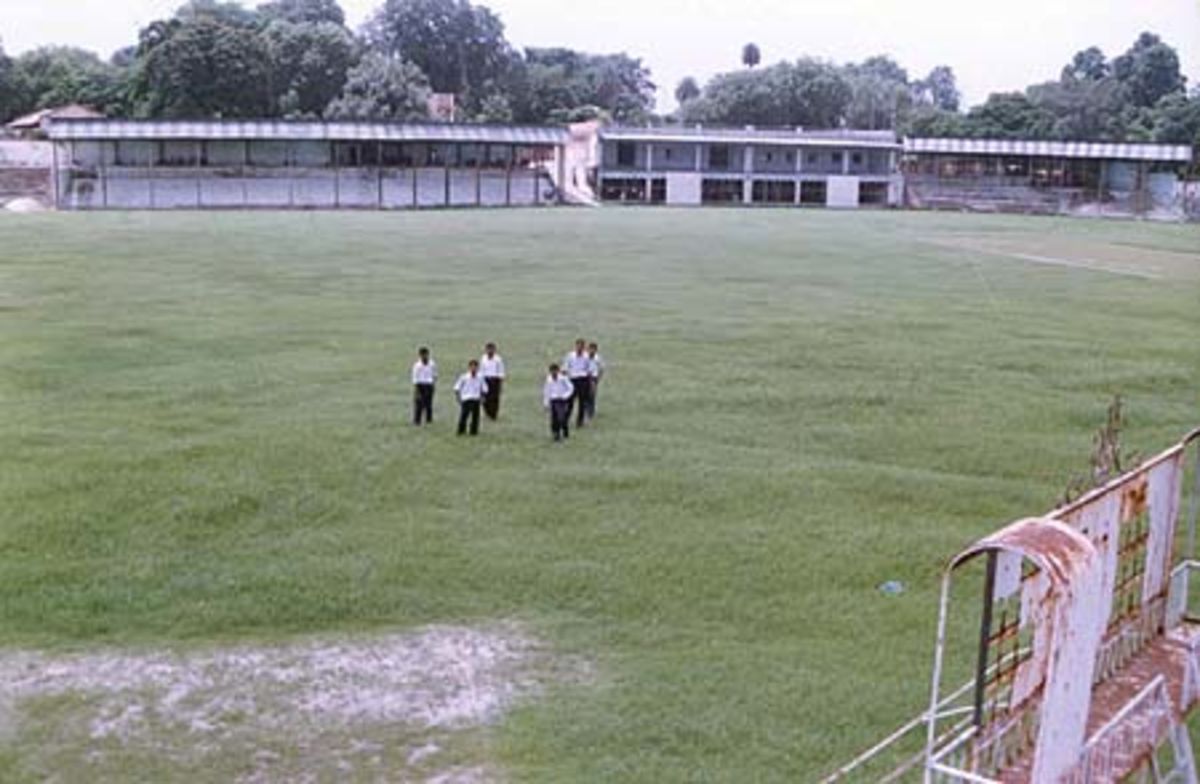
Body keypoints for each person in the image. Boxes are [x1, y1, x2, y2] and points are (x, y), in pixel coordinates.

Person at [453, 359, 489, 436]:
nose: (473, 369)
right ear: (469, 368)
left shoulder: (480, 378)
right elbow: (457, 387)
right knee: (464, 415)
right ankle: (461, 430)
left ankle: (473, 431)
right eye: (472, 367)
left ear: (478, 368)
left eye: (475, 367)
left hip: (476, 399)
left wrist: (483, 397)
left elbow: (485, 389)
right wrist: (458, 397)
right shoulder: (464, 377)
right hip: (466, 399)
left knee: (475, 416)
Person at [562, 338, 593, 427]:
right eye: (578, 346)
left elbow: (589, 370)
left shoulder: (586, 356)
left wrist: (590, 383)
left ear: (583, 347)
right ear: (575, 346)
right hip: (573, 380)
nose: (579, 348)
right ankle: (565, 419)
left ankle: (580, 422)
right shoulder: (570, 356)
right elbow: (565, 368)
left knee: (582, 402)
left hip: (583, 380)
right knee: (570, 402)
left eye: (581, 346)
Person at [543, 363, 574, 441]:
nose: (554, 373)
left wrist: (565, 396)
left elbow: (570, 388)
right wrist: (546, 403)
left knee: (561, 417)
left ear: (558, 371)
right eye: (552, 371)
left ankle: (564, 431)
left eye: (555, 371)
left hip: (561, 400)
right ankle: (556, 434)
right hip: (553, 400)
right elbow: (547, 391)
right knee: (554, 418)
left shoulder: (563, 378)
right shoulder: (549, 380)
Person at [479, 342, 506, 420]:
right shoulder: (483, 358)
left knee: (494, 398)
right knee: (485, 398)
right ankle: (487, 412)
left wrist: (500, 382)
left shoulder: (498, 359)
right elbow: (481, 370)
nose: (490, 351)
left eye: (492, 349)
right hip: (485, 379)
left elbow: (501, 371)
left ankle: (493, 414)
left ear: (494, 350)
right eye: (488, 349)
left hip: (495, 380)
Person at [411, 347, 437, 426]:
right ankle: (417, 420)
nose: (424, 357)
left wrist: (433, 384)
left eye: (426, 355)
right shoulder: (417, 365)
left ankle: (429, 419)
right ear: (420, 355)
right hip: (420, 385)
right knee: (419, 403)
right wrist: (417, 389)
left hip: (429, 385)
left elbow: (434, 374)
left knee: (429, 403)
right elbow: (415, 377)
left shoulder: (432, 364)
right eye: (422, 355)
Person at [585, 341, 605, 421]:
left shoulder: (598, 359)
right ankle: (586, 410)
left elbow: (601, 369)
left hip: (593, 378)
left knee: (592, 395)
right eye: (590, 349)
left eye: (593, 349)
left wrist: (598, 378)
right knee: (585, 394)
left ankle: (590, 412)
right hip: (585, 377)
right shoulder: (585, 357)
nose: (592, 351)